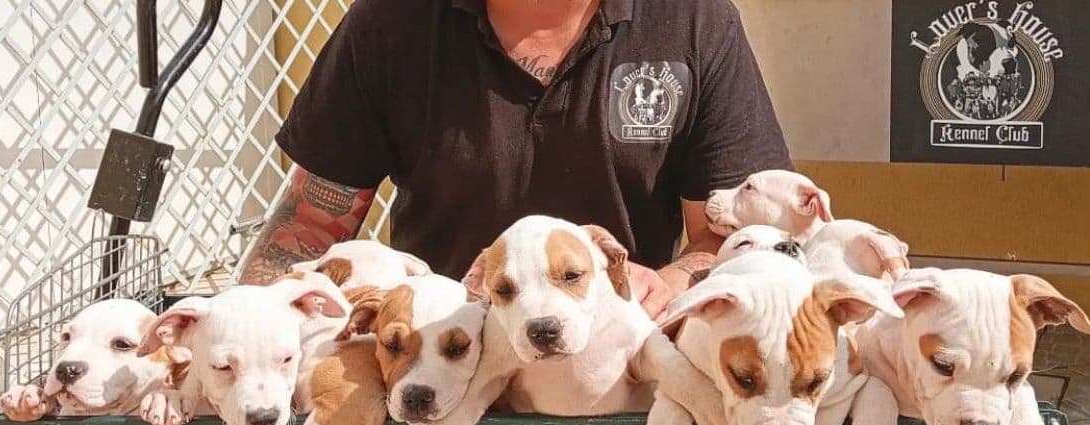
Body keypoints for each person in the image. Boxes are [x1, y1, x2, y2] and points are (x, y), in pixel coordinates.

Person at [240, 0, 791, 319]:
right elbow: (307, 231)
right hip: (445, 364)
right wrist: (253, 325)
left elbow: (740, 239)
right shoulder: (391, 22)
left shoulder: (693, 21)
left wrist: (672, 282)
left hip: (620, 372)